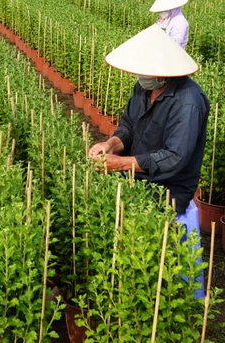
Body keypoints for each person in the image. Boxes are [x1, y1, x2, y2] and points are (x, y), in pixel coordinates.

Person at [88, 25, 209, 216]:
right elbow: (128, 127)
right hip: (135, 175)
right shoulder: (143, 87)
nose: (141, 75)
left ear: (164, 71)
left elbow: (173, 158)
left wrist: (119, 164)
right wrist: (110, 145)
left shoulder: (188, 102)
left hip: (167, 191)